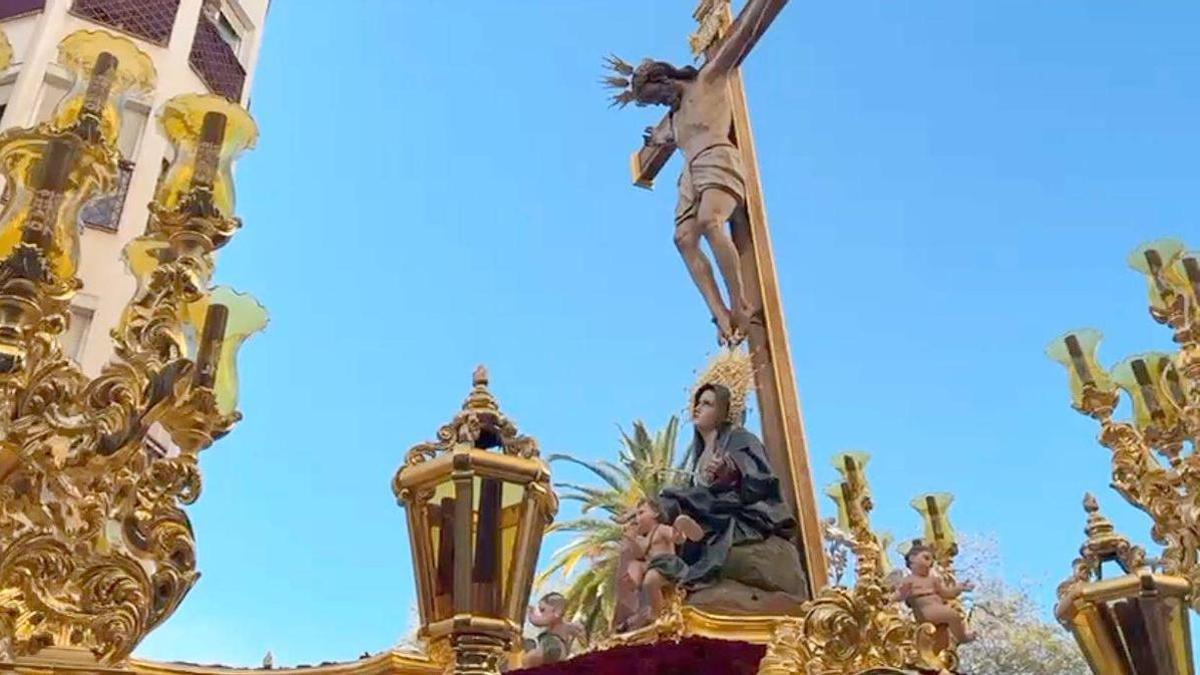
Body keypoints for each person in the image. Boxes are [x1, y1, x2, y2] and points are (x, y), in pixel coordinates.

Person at [603, 0, 782, 344]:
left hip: (716, 156)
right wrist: (655, 138)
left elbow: (744, 32)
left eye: (657, 96)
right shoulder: (673, 118)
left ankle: (739, 302)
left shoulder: (710, 79)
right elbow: (658, 140)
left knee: (710, 222)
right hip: (690, 173)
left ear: (665, 77)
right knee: (683, 238)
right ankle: (719, 312)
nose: (659, 104)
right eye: (653, 104)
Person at [657, 382, 798, 588]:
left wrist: (729, 471)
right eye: (698, 403)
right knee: (670, 502)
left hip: (739, 510)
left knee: (672, 498)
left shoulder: (740, 438)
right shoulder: (699, 455)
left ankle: (692, 531)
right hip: (711, 507)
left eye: (707, 404)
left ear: (721, 411)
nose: (698, 408)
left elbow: (757, 475)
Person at [622, 498, 703, 625]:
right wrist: (630, 538)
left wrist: (680, 532)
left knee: (650, 580)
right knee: (635, 565)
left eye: (641, 513)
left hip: (667, 565)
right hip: (653, 565)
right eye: (636, 515)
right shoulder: (644, 538)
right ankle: (635, 586)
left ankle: (657, 612)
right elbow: (639, 553)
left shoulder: (661, 529)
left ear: (655, 514)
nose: (637, 518)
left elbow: (676, 538)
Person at [892, 542, 976, 644]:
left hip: (938, 608)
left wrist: (959, 588)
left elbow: (946, 593)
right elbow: (901, 594)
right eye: (926, 558)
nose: (929, 564)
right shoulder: (909, 580)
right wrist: (889, 599)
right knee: (953, 615)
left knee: (943, 640)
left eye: (931, 562)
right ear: (912, 558)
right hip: (926, 611)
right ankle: (963, 638)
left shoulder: (933, 579)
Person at [521, 592, 584, 667]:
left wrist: (530, 612)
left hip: (552, 645)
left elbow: (537, 621)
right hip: (558, 650)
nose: (540, 614)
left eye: (542, 610)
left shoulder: (559, 632)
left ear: (557, 611)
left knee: (529, 657)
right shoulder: (567, 626)